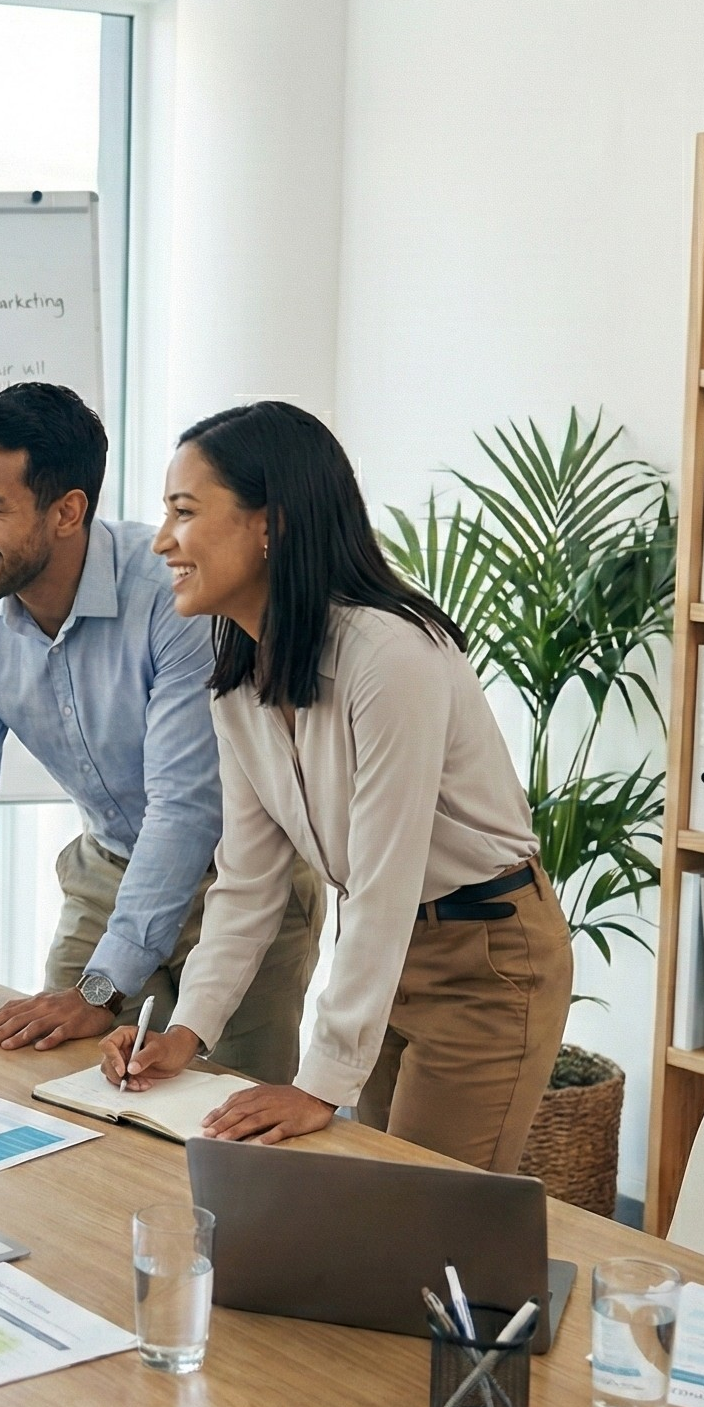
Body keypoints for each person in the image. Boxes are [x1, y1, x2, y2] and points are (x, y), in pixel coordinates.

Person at [103, 401, 574, 1172]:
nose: (162, 541)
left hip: (486, 955)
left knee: (426, 1219)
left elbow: (384, 881)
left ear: (271, 525)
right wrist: (186, 1034)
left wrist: (317, 1085)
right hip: (389, 954)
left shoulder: (390, 658)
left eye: (184, 512)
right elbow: (248, 886)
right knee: (377, 1206)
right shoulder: (236, 682)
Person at [0, 382, 323, 1078]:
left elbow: (185, 807)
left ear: (67, 512)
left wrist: (102, 988)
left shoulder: (176, 598)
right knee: (53, 1080)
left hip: (239, 886)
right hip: (108, 869)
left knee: (229, 1127)